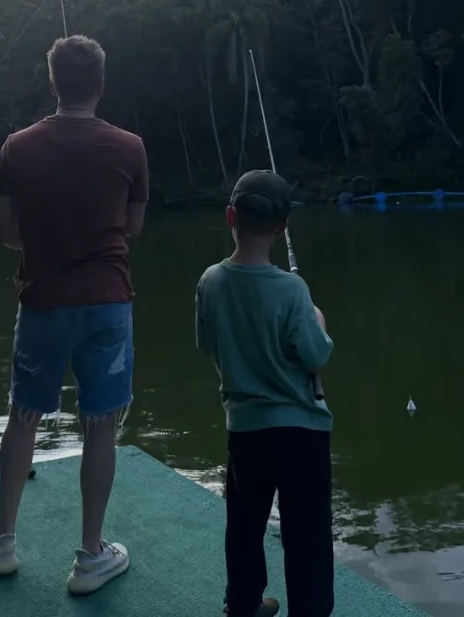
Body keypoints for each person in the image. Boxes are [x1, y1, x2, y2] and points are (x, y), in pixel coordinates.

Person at [0, 34, 148, 594]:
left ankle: (2, 542)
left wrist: (48, 237)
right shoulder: (131, 147)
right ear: (100, 86)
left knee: (23, 415)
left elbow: (5, 233)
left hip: (44, 300)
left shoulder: (16, 147)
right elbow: (133, 227)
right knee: (101, 425)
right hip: (108, 301)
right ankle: (91, 556)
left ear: (52, 83)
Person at [195, 170, 334, 617]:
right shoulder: (294, 290)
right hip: (301, 433)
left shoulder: (210, 281)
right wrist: (319, 321)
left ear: (231, 216)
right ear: (282, 227)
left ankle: (244, 604)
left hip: (246, 431)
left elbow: (207, 344)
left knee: (245, 525)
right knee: (307, 533)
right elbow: (316, 356)